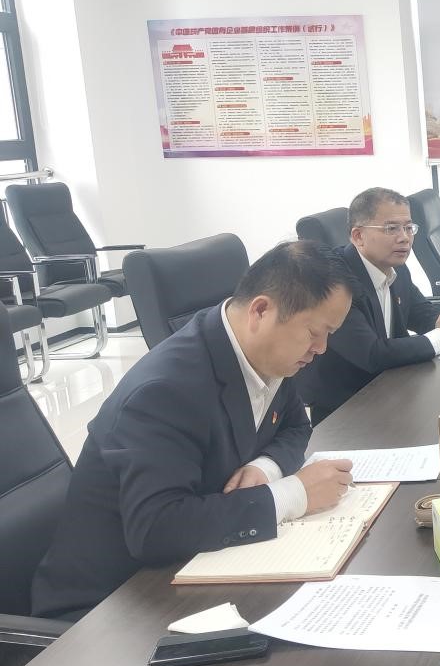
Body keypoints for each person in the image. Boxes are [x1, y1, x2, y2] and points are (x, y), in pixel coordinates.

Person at [32, 241, 359, 619]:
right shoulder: (164, 391)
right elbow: (156, 529)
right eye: (315, 332)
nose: (322, 348)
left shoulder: (266, 352)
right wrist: (293, 494)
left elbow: (296, 425)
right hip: (109, 607)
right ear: (261, 310)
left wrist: (265, 467)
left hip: (191, 567)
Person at [296, 187, 440, 424]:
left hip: (393, 391)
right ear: (358, 236)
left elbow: (420, 312)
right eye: (391, 228)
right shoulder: (336, 282)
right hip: (347, 409)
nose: (404, 238)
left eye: (408, 228)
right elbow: (373, 354)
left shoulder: (396, 269)